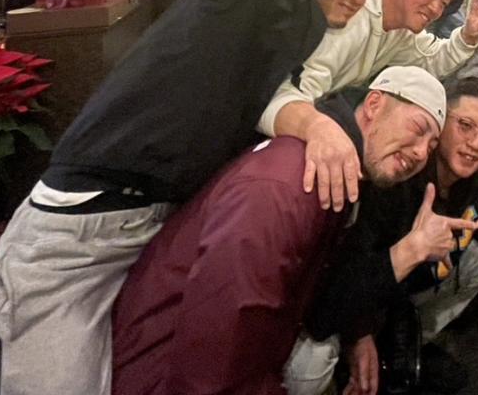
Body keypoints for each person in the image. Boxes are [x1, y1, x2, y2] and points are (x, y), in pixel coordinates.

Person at [0, 0, 364, 395]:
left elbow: (269, 101)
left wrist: (318, 126)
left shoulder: (290, 32)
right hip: (82, 226)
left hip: (152, 231)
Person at [109, 68, 452, 395]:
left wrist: (360, 331)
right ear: (374, 105)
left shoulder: (343, 182)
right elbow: (211, 361)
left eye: (432, 145)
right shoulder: (288, 186)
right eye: (418, 128)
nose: (421, 152)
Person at [288, 79, 478, 395]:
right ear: (440, 127)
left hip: (397, 292)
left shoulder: (476, 182)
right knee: (311, 363)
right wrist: (361, 332)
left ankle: (414, 338)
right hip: (340, 301)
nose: (475, 143)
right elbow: (331, 299)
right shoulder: (396, 175)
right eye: (465, 126)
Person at [260, 0, 478, 212]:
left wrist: (468, 36)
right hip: (267, 141)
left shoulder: (400, 26)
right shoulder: (350, 14)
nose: (436, 9)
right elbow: (274, 96)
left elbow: (432, 58)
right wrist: (318, 128)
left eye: (444, 4)